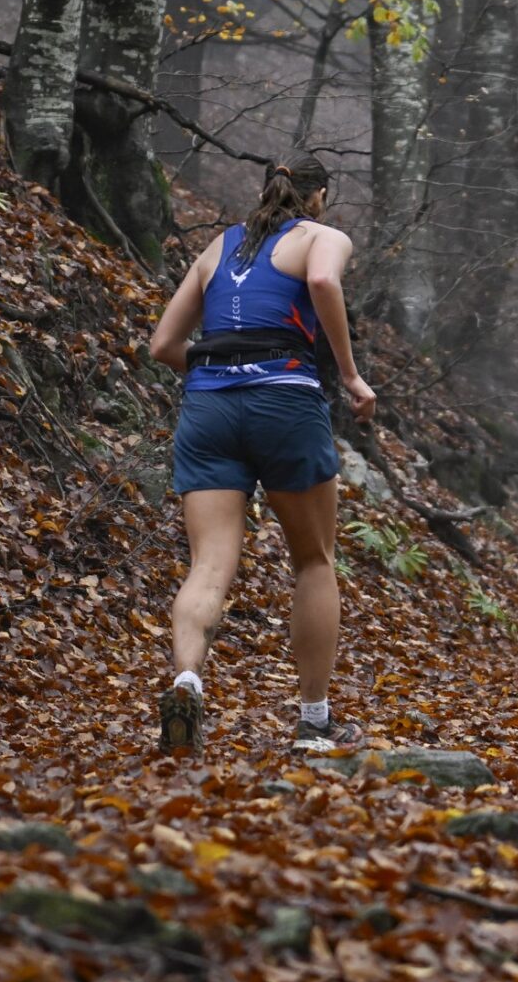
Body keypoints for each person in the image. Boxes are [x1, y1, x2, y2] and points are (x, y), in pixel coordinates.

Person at [146, 158, 378, 757]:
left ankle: (187, 681)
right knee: (314, 561)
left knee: (208, 565)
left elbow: (164, 345)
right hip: (285, 404)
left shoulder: (220, 247)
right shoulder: (322, 237)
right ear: (320, 196)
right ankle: (314, 721)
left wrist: (222, 370)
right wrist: (350, 377)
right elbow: (324, 283)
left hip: (209, 410)